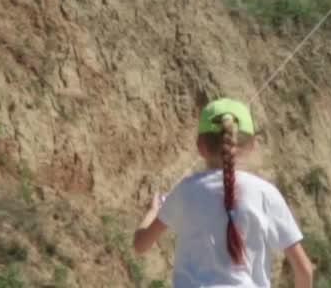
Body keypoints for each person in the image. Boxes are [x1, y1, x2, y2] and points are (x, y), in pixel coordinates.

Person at [133, 97, 315, 288]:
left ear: (200, 147)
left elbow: (141, 245)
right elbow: (304, 269)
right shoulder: (266, 194)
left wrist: (153, 211)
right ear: (252, 145)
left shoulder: (186, 191)